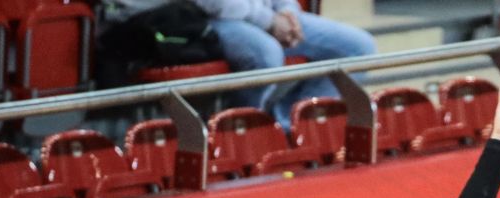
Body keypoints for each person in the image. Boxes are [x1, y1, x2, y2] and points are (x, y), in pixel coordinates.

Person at [103, 0, 374, 127]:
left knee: (357, 47)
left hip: (263, 13)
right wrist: (270, 21)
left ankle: (285, 127)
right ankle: (238, 130)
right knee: (265, 54)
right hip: (188, 15)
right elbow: (215, 3)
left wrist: (287, 12)